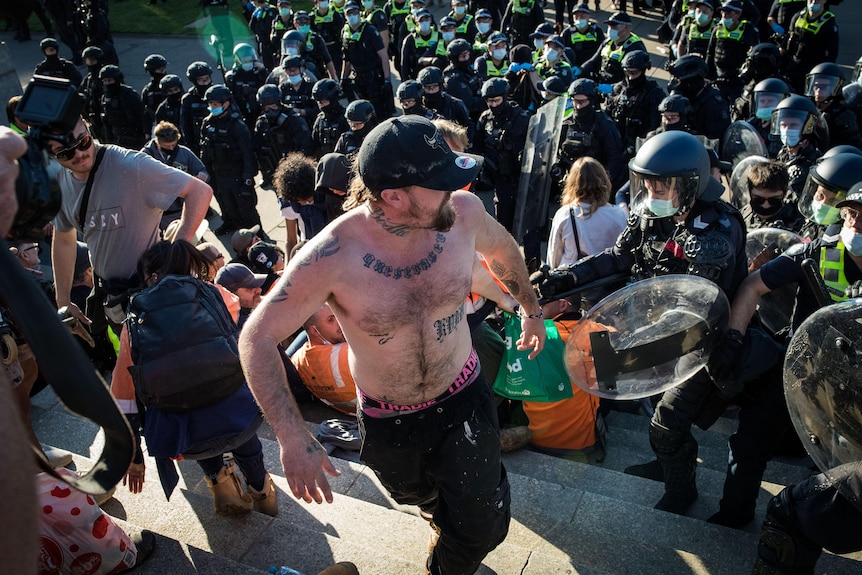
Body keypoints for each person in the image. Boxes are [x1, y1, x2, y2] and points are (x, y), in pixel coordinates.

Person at [239, 115, 545, 575]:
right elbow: (256, 337)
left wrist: (531, 309)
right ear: (394, 196)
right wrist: (291, 435)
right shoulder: (332, 255)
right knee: (418, 497)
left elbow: (503, 253)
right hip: (389, 420)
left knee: (484, 526)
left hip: (464, 398)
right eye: (439, 183)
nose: (456, 190)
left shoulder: (462, 214)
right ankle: (437, 515)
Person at [534, 130, 748, 516]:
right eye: (646, 183)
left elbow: (695, 308)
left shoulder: (716, 231)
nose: (651, 192)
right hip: (650, 329)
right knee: (651, 402)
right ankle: (667, 463)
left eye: (661, 185)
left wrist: (638, 343)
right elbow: (617, 258)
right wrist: (563, 278)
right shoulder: (651, 214)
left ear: (690, 184)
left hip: (697, 344)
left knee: (666, 423)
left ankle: (682, 490)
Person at [706, 176, 862, 529]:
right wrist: (733, 338)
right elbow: (752, 284)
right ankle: (733, 515)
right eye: (851, 215)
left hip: (855, 382)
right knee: (749, 442)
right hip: (803, 367)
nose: (855, 224)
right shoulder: (817, 251)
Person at [48, 117, 213, 336]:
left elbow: (200, 192)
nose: (79, 154)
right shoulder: (61, 182)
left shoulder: (130, 165)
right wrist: (63, 301)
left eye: (83, 141)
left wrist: (175, 253)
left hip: (158, 295)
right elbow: (63, 240)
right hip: (115, 301)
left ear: (88, 126)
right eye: (65, 153)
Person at [200, 84, 262, 236]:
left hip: (237, 174)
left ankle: (258, 236)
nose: (212, 107)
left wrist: (247, 178)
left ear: (226, 104)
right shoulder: (207, 124)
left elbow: (248, 153)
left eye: (216, 104)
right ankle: (233, 228)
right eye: (210, 104)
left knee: (246, 209)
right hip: (219, 174)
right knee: (228, 207)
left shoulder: (237, 126)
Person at [471, 77, 531, 231]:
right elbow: (477, 147)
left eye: (496, 101)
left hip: (521, 175)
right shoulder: (485, 118)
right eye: (489, 101)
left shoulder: (521, 118)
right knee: (503, 219)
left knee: (527, 218)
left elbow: (533, 144)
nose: (493, 105)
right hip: (498, 175)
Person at [546, 156, 628, 269]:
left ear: (572, 184)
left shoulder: (565, 214)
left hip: (574, 282)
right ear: (604, 181)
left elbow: (553, 259)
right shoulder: (619, 214)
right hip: (610, 282)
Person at [557, 79, 626, 191]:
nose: (578, 107)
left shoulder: (604, 125)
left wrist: (601, 184)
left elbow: (615, 158)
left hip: (595, 186)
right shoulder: (566, 123)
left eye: (582, 102)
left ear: (592, 100)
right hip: (570, 184)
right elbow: (555, 152)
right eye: (575, 101)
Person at [291, 304, 359, 415]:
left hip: (347, 410)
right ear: (315, 331)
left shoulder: (296, 360)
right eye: (331, 320)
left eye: (338, 316)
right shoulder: (350, 353)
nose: (340, 322)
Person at [605, 50, 665, 160]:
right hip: (615, 145)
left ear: (643, 71)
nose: (631, 78)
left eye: (634, 73)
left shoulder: (654, 93)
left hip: (641, 147)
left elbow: (655, 125)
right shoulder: (618, 90)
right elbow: (606, 118)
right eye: (628, 72)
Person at [341, 0, 395, 120]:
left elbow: (383, 55)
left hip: (374, 76)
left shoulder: (369, 30)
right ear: (345, 15)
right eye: (349, 13)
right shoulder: (345, 32)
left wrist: (387, 80)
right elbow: (346, 58)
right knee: (363, 113)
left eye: (355, 12)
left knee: (380, 111)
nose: (352, 15)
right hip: (358, 78)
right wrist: (343, 77)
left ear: (360, 13)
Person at [273, 152, 328, 255]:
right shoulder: (290, 204)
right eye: (299, 200)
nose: (305, 203)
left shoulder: (326, 193)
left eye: (308, 199)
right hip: (308, 247)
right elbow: (291, 240)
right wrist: (289, 267)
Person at [668, 54, 731, 143]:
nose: (674, 85)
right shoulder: (684, 99)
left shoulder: (714, 104)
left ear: (693, 81)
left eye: (678, 80)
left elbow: (715, 141)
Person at [705, 0, 759, 103]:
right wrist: (708, 76)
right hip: (718, 78)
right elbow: (710, 53)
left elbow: (752, 57)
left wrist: (745, 78)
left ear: (738, 14)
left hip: (737, 81)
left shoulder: (747, 30)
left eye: (728, 13)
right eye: (723, 13)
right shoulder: (717, 29)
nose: (724, 16)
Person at [781, 0, 839, 93]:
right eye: (811, 0)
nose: (813, 2)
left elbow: (832, 54)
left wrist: (823, 75)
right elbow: (788, 39)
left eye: (817, 0)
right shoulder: (798, 16)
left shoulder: (829, 24)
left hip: (812, 69)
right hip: (793, 67)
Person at [805, 62, 862, 150]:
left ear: (834, 88)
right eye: (816, 86)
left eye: (824, 87)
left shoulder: (845, 116)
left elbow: (853, 147)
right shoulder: (806, 109)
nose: (818, 91)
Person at [580, 11, 646, 86]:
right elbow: (594, 60)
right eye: (609, 27)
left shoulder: (635, 48)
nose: (610, 30)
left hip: (620, 89)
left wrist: (613, 88)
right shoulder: (608, 42)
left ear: (626, 28)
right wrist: (581, 69)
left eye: (614, 27)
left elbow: (634, 75)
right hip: (602, 82)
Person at [740, 159, 805, 233]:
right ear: (750, 192)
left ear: (784, 193)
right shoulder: (743, 215)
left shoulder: (799, 222)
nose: (766, 206)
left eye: (773, 200)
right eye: (758, 199)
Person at [225, 43, 270, 129]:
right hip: (239, 111)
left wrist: (263, 70)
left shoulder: (259, 74)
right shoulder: (233, 76)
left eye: (250, 59)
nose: (248, 62)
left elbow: (269, 85)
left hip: (257, 110)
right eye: (245, 60)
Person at [181, 61, 215, 156]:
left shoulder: (218, 94)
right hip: (197, 143)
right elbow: (186, 125)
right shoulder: (188, 99)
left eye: (207, 79)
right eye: (201, 80)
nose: (205, 82)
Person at [311, 78, 351, 158]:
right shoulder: (320, 120)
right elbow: (314, 144)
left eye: (323, 102)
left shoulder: (346, 118)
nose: (321, 106)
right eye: (319, 102)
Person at [562, 3, 605, 68]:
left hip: (593, 67)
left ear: (588, 16)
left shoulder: (597, 31)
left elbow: (603, 49)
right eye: (576, 16)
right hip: (574, 68)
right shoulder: (567, 33)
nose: (579, 19)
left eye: (582, 16)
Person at [141, 54, 169, 130]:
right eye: (160, 70)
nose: (163, 72)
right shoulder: (148, 90)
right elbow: (144, 113)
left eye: (163, 69)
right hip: (155, 125)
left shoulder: (171, 85)